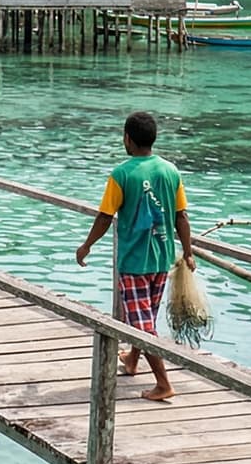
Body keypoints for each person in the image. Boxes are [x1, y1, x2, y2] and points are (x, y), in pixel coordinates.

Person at [75, 111, 196, 401]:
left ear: (127, 138)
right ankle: (132, 359)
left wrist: (86, 245)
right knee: (146, 317)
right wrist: (188, 252)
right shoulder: (170, 171)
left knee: (141, 323)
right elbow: (181, 216)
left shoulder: (122, 174)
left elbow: (105, 217)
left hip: (134, 261)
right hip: (162, 257)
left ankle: (163, 383)